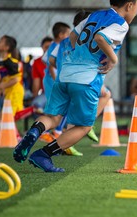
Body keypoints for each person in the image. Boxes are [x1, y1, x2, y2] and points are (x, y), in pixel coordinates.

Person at [13, 0, 137, 172]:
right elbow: (100, 38)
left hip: (65, 73)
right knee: (84, 126)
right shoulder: (121, 24)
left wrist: (79, 56)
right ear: (130, 6)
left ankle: (34, 132)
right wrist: (113, 59)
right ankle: (43, 155)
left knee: (53, 117)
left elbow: (72, 36)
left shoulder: (94, 15)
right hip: (86, 79)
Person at [48, 9, 106, 146]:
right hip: (83, 82)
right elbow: (98, 63)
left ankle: (46, 136)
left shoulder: (63, 42)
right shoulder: (92, 42)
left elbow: (50, 60)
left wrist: (61, 68)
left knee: (60, 116)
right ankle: (88, 124)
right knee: (105, 95)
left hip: (62, 82)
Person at [0, 35, 24, 136]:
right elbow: (1, 75)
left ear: (6, 47)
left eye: (0, 42)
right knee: (8, 116)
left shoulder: (11, 62)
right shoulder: (2, 61)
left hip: (15, 92)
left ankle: (14, 135)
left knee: (10, 116)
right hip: (9, 92)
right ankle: (13, 135)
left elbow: (16, 79)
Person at [31, 36, 53, 111]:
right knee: (36, 106)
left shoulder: (61, 59)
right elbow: (36, 84)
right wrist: (35, 96)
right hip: (46, 94)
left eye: (51, 47)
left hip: (60, 93)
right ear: (42, 47)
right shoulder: (37, 62)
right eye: (46, 47)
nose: (48, 49)